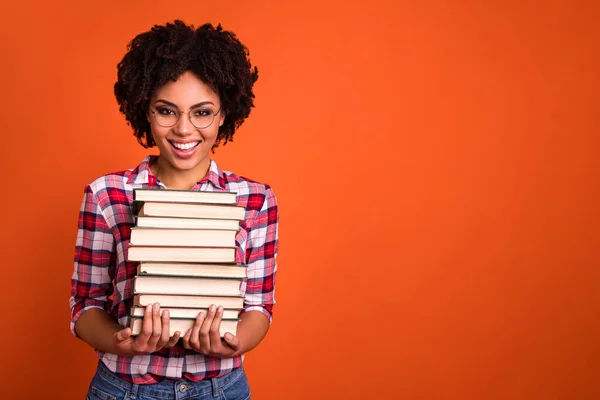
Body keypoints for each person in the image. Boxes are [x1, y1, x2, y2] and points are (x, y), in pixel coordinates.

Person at [69, 20, 278, 400]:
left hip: (221, 389)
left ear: (224, 115)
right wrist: (123, 344)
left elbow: (259, 309)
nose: (184, 130)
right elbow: (85, 307)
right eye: (167, 111)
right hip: (125, 388)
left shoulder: (256, 199)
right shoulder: (106, 194)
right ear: (145, 111)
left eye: (202, 113)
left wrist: (228, 342)